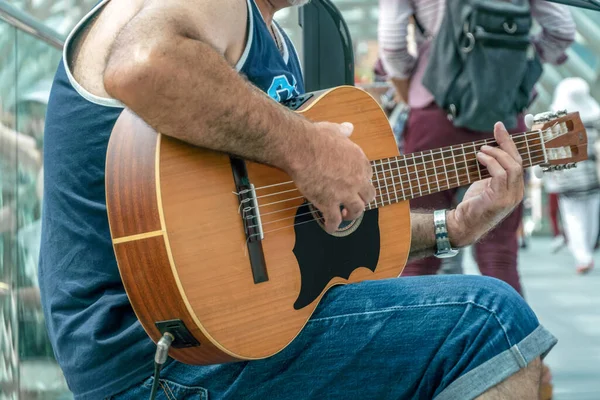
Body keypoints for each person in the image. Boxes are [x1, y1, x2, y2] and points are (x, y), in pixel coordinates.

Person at [39, 1, 556, 399]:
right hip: (163, 361)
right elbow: (142, 63)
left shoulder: (277, 43)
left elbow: (313, 231)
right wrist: (308, 148)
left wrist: (454, 226)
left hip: (233, 339)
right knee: (490, 321)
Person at [377, 0, 576, 296]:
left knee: (419, 248)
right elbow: (562, 30)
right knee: (500, 254)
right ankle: (511, 340)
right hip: (503, 115)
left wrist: (416, 83)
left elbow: (392, 45)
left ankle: (416, 340)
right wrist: (512, 69)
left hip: (434, 114)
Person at [545, 77, 600, 274]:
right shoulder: (595, 117)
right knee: (591, 215)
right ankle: (587, 251)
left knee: (573, 217)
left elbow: (550, 152)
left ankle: (582, 256)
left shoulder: (557, 120)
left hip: (568, 178)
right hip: (593, 177)